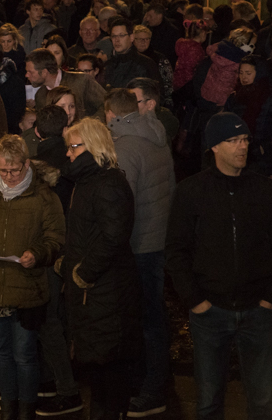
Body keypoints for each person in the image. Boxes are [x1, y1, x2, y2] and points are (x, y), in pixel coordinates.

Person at [166, 113, 272, 420]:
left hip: (257, 310)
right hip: (211, 311)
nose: (242, 147)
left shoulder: (266, 190)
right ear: (214, 148)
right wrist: (195, 300)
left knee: (261, 401)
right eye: (233, 141)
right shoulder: (191, 191)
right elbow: (177, 250)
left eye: (245, 139)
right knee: (208, 400)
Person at [0, 134, 65, 420]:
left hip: (28, 288)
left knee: (24, 354)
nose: (9, 176)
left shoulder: (44, 196)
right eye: (3, 170)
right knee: (2, 353)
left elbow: (56, 238)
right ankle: (8, 408)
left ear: (26, 164)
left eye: (14, 170)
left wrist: (38, 253)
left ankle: (27, 408)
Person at [62, 118, 141, 420]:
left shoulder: (106, 183)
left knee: (109, 366)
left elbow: (113, 236)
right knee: (99, 367)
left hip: (106, 292)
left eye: (73, 147)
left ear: (92, 146)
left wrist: (84, 272)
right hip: (96, 294)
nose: (68, 154)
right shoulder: (88, 181)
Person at [102, 89, 174, 417]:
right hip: (158, 238)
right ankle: (157, 380)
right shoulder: (155, 134)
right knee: (153, 316)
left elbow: (121, 204)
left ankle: (152, 389)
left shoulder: (126, 147)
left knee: (147, 321)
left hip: (140, 243)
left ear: (112, 115)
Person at [26, 48, 107, 119]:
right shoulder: (40, 96)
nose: (26, 75)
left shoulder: (81, 81)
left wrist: (89, 127)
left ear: (44, 72)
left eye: (30, 72)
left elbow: (107, 104)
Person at [101, 17, 162, 89]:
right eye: (114, 36)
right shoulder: (107, 66)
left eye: (121, 35)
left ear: (131, 37)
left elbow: (157, 94)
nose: (116, 40)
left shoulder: (146, 65)